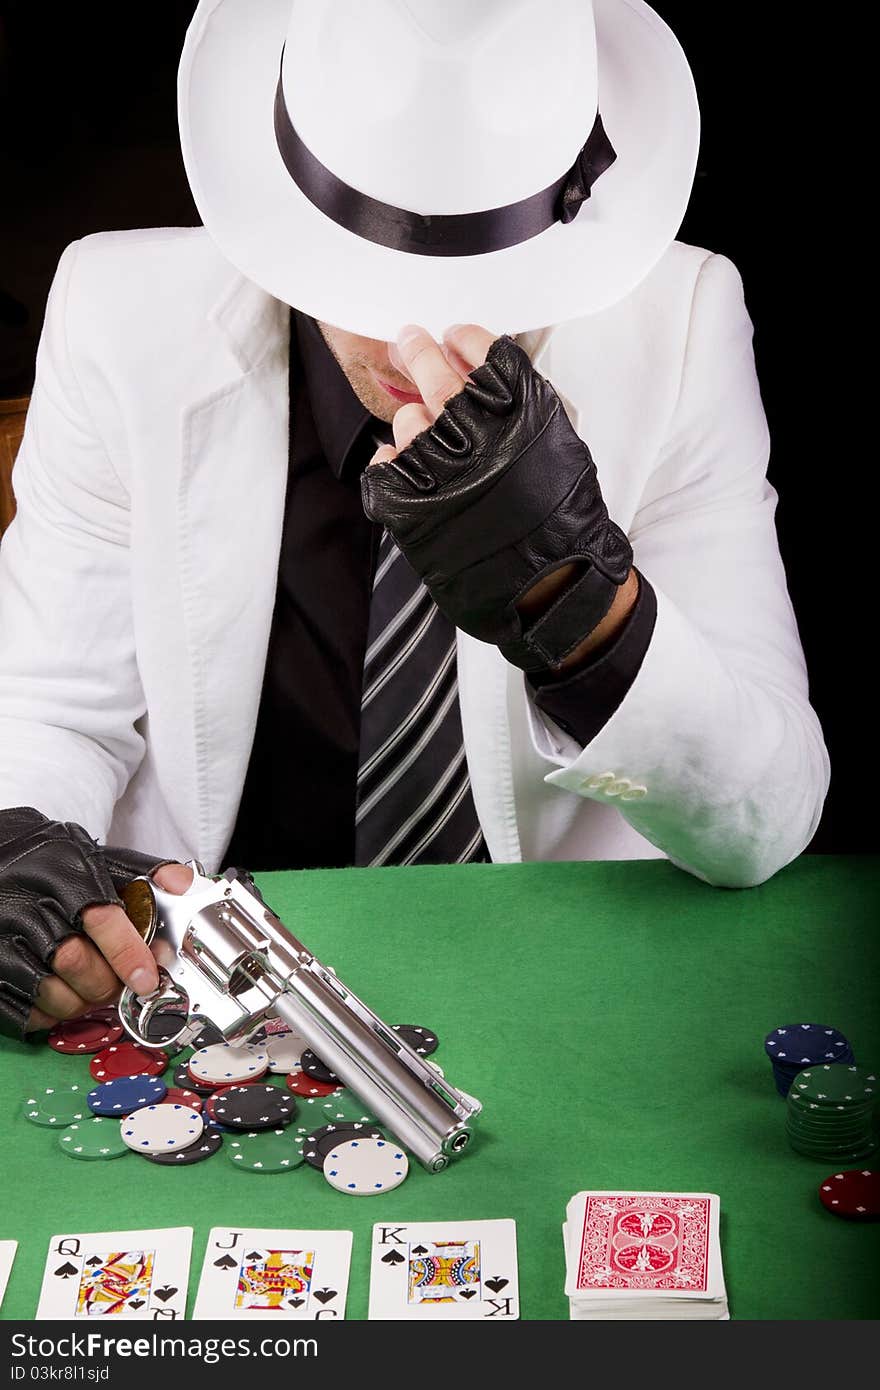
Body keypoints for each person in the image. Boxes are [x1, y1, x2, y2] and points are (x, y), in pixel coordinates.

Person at [0, 0, 829, 1039]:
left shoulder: (683, 321)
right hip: (205, 997)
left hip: (553, 993)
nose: (419, 332)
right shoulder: (118, 311)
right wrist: (14, 839)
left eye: (486, 277)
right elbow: (49, 711)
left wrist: (581, 600)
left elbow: (766, 818)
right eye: (372, 273)